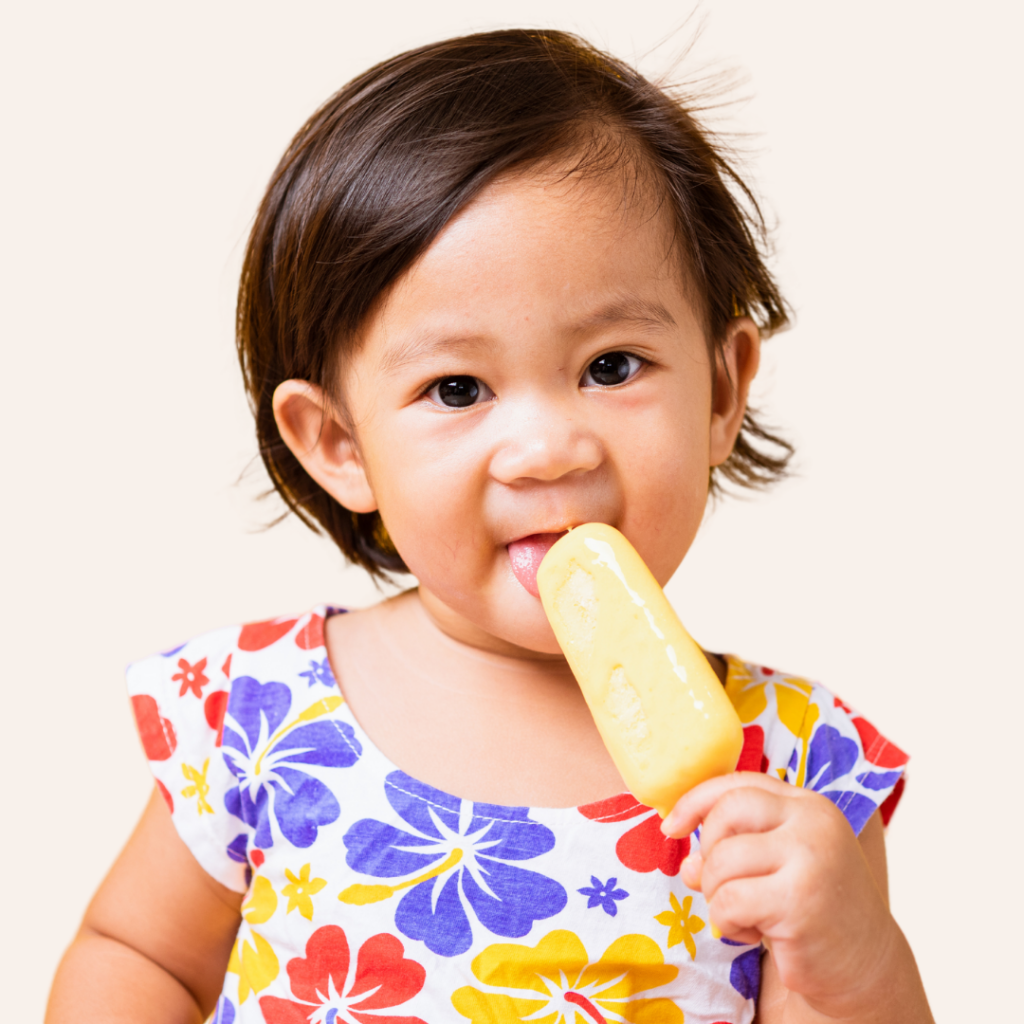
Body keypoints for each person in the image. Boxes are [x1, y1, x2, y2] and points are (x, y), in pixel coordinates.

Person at [46, 29, 934, 1024]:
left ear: (722, 390)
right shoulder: (258, 717)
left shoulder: (794, 770)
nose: (548, 447)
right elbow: (137, 955)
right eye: (457, 388)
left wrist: (852, 960)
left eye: (611, 366)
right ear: (337, 442)